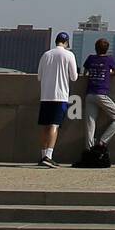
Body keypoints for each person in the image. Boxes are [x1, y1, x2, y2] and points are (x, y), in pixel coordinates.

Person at [36, 32, 78, 168]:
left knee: (45, 126)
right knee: (54, 125)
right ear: (66, 43)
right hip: (60, 95)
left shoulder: (46, 55)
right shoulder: (68, 55)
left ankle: (42, 156)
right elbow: (74, 77)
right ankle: (49, 155)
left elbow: (39, 76)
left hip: (45, 95)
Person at [82, 37, 115, 154]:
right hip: (101, 94)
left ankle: (88, 149)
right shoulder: (109, 60)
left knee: (90, 124)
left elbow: (85, 73)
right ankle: (102, 142)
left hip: (89, 94)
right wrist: (107, 72)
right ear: (107, 49)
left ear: (96, 49)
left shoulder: (90, 58)